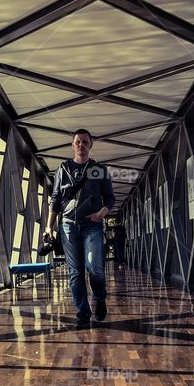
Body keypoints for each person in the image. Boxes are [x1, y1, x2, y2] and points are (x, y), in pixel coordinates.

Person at [46, 129, 115, 329]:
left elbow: (110, 198)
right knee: (75, 272)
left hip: (92, 225)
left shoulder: (98, 170)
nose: (81, 145)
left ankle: (100, 298)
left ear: (90, 145)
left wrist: (101, 213)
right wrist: (49, 226)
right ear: (72, 145)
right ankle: (83, 313)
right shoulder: (63, 169)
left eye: (85, 142)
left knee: (94, 267)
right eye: (78, 142)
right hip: (68, 225)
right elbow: (55, 198)